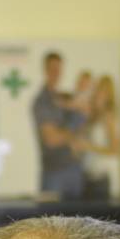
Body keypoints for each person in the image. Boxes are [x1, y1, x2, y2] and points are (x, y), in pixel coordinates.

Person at [30, 51, 87, 199]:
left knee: (77, 220)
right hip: (55, 173)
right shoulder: (42, 102)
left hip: (74, 171)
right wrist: (75, 131)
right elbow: (52, 140)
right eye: (52, 69)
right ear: (45, 70)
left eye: (59, 69)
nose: (56, 73)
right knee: (51, 219)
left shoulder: (65, 98)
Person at [83, 73, 120, 199]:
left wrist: (88, 146)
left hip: (104, 177)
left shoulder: (109, 117)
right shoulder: (95, 118)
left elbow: (115, 149)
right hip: (91, 175)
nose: (99, 95)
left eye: (103, 91)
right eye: (98, 90)